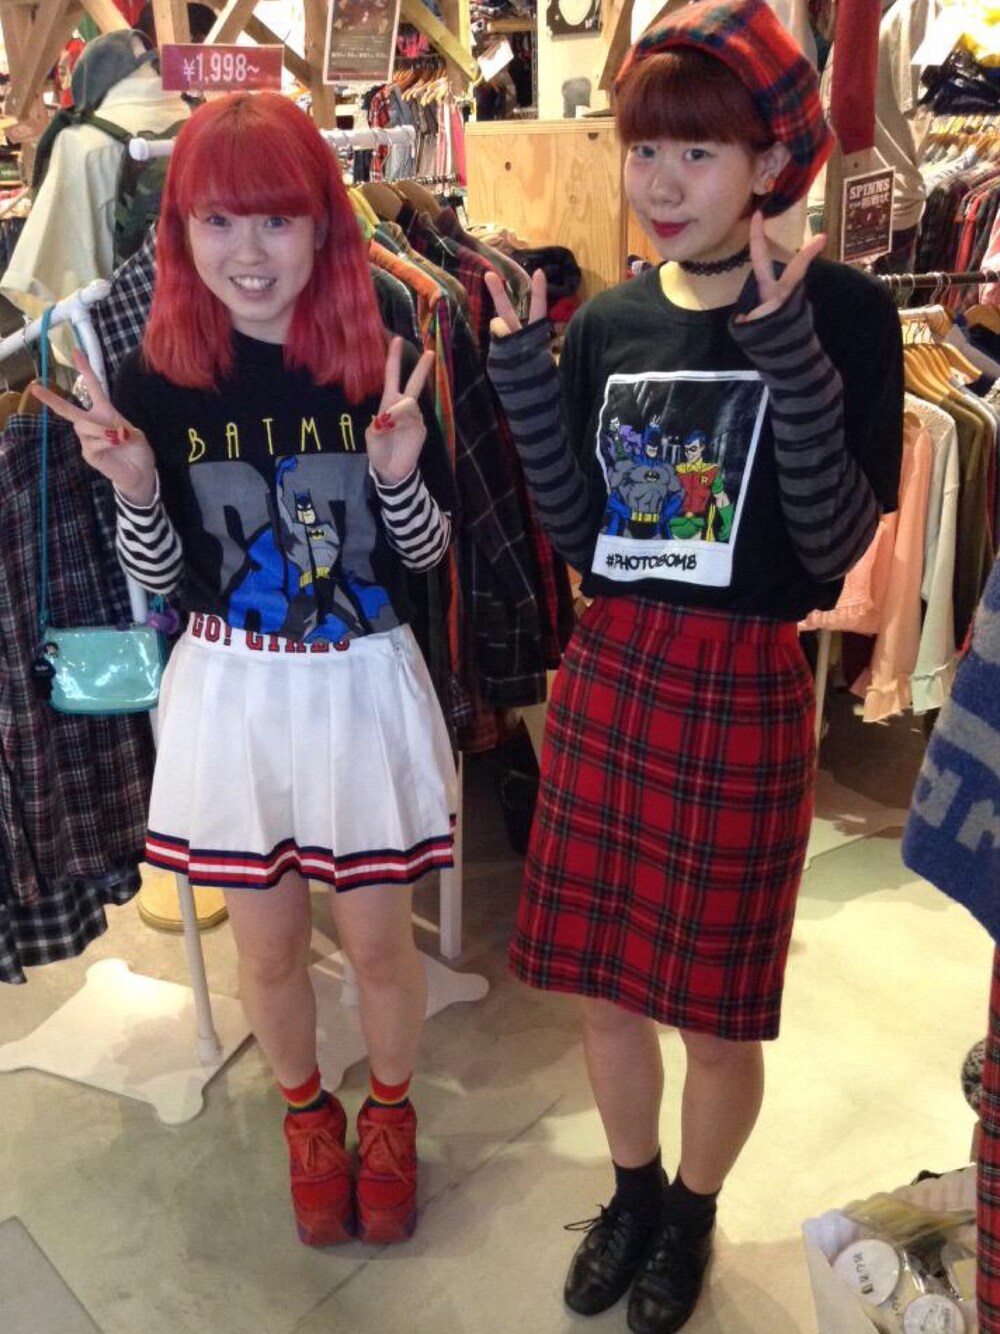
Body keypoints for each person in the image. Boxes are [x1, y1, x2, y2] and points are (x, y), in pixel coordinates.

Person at [484, 1, 903, 1330]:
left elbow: (835, 544)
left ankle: (693, 1210)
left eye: (699, 152)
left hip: (742, 686)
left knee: (717, 1016)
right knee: (606, 990)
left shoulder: (847, 314)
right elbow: (582, 537)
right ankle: (631, 1189)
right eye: (645, 149)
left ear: (770, 161)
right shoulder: (612, 321)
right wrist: (522, 378)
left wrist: (782, 350)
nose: (660, 183)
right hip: (613, 673)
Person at [34, 90, 458, 1248]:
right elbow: (167, 576)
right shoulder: (159, 374)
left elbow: (424, 556)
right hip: (232, 684)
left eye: (275, 218)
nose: (248, 252)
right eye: (217, 221)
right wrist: (134, 487)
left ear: (323, 223)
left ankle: (388, 1110)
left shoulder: (381, 345)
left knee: (376, 941)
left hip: (360, 675)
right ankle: (305, 1114)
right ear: (181, 233)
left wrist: (399, 476)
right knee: (267, 948)